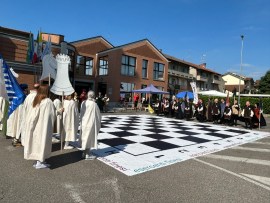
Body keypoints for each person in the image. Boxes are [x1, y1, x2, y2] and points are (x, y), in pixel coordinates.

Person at [24, 85, 56, 169]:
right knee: (43, 142)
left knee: (37, 143)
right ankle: (40, 162)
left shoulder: (37, 100)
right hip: (44, 126)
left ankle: (39, 160)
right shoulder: (48, 101)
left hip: (37, 125)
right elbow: (52, 115)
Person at [79, 91, 102, 160]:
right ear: (93, 96)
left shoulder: (84, 103)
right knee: (89, 137)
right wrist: (98, 122)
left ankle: (84, 152)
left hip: (84, 122)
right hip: (90, 123)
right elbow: (98, 115)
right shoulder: (94, 104)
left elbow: (81, 112)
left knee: (85, 137)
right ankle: (87, 154)